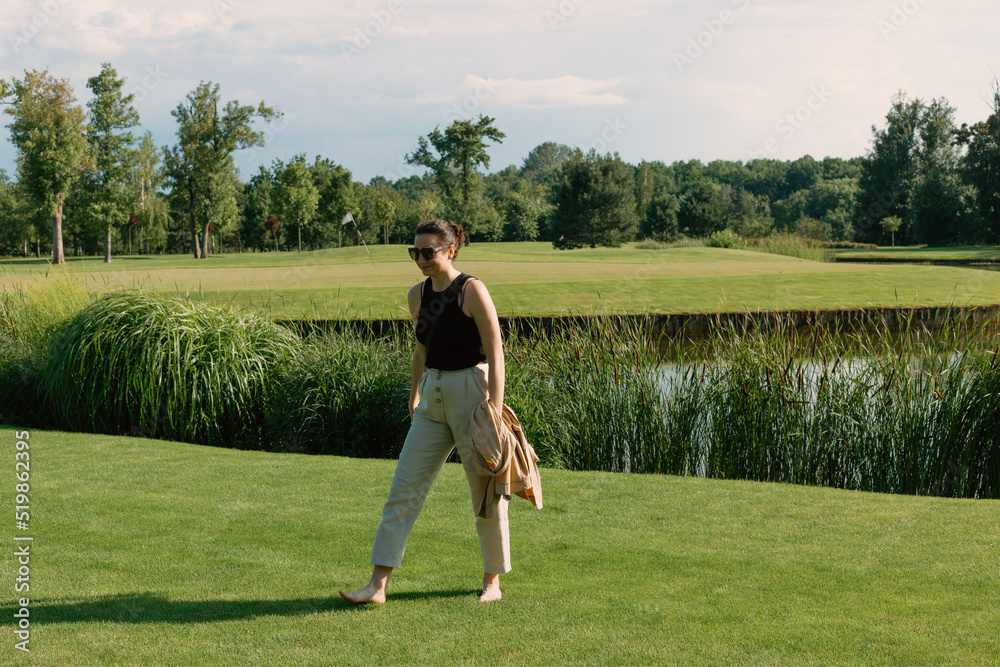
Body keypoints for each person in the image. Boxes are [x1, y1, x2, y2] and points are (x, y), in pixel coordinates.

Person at [339, 219, 508, 604]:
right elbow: (419, 351)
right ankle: (377, 586)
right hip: (432, 396)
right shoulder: (416, 295)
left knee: (485, 493)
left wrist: (494, 412)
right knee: (403, 489)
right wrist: (414, 394)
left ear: (450, 250)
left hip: (473, 394)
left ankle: (492, 582)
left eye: (428, 252)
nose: (421, 259)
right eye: (415, 252)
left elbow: (496, 353)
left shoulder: (472, 290)